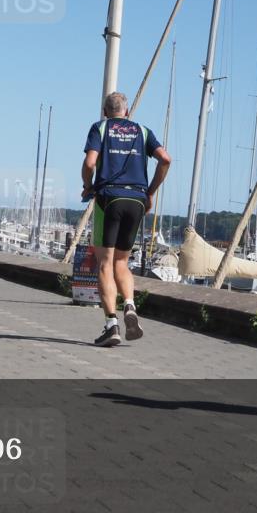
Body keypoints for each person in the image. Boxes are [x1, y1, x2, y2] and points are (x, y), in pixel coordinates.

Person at [81, 92, 171, 347]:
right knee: (122, 262)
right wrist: (150, 191)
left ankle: (111, 325)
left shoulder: (100, 128)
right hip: (137, 200)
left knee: (105, 264)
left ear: (105, 111)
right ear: (127, 111)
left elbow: (90, 164)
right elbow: (165, 158)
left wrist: (88, 186)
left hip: (109, 199)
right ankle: (130, 304)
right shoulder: (143, 131)